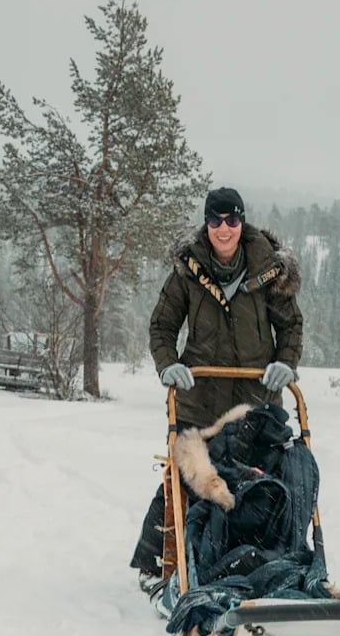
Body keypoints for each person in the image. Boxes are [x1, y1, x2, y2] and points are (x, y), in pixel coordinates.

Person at [130, 186, 303, 580]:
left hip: (254, 400)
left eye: (232, 220)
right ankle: (159, 562)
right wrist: (168, 365)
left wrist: (285, 363)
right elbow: (162, 325)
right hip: (200, 399)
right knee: (191, 478)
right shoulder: (188, 270)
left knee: (258, 479)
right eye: (215, 221)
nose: (224, 229)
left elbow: (290, 325)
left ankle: (267, 561)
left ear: (242, 222)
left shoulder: (269, 269)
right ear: (206, 223)